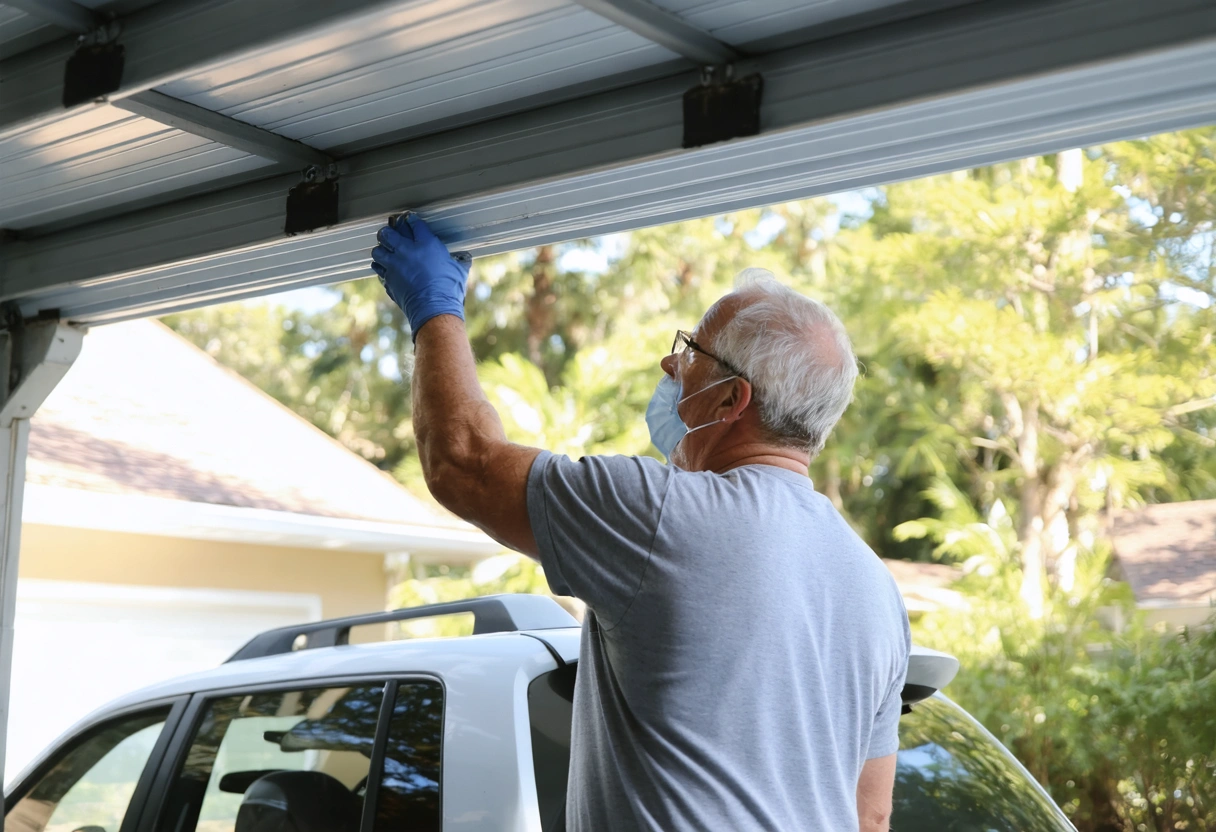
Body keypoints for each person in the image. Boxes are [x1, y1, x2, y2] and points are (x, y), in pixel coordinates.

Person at [371, 213, 911, 832]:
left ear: (732, 400)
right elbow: (870, 815)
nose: (668, 364)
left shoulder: (661, 516)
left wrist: (435, 309)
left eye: (691, 352)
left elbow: (464, 464)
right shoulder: (876, 588)